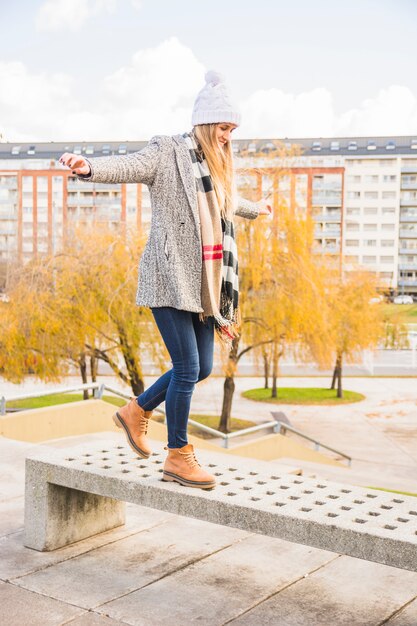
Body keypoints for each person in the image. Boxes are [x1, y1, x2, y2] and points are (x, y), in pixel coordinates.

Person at [59, 70, 272, 490]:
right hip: (170, 274)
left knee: (204, 366)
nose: (229, 136)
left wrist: (257, 208)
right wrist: (88, 168)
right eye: (225, 128)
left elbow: (228, 203)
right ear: (207, 123)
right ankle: (178, 455)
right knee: (188, 366)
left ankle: (136, 411)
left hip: (205, 286)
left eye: (233, 129)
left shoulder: (217, 169)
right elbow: (129, 166)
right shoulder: (168, 151)